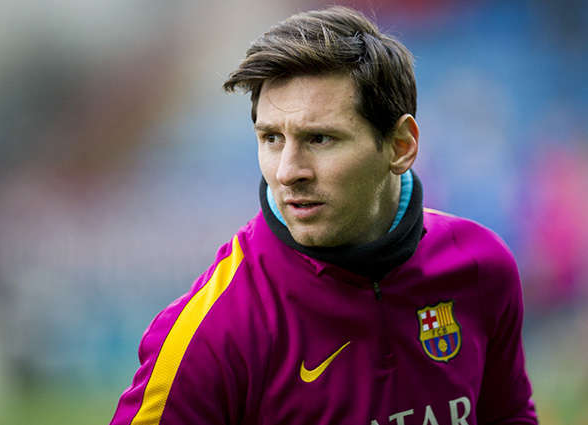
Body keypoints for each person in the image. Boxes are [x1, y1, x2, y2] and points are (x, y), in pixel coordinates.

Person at [109, 6, 537, 425]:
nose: (288, 171)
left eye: (319, 139)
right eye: (272, 138)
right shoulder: (211, 331)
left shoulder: (480, 266)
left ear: (401, 146)